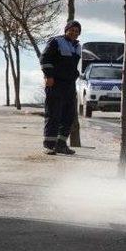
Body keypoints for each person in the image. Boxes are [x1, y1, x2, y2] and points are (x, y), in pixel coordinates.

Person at [39, 20, 82, 155]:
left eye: (77, 31)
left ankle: (61, 144)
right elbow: (45, 59)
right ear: (66, 30)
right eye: (72, 30)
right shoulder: (56, 42)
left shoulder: (77, 47)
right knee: (53, 114)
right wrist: (49, 76)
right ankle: (49, 145)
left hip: (69, 85)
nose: (74, 33)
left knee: (68, 116)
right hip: (56, 83)